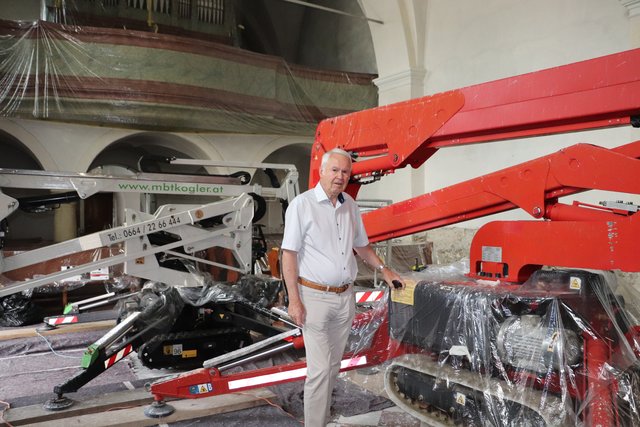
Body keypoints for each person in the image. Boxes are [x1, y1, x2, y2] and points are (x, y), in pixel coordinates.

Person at [281, 148, 404, 427]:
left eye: (345, 172)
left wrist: (384, 269)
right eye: (334, 170)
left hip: (344, 298)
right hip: (314, 298)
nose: (340, 176)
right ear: (322, 171)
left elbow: (361, 245)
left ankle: (322, 417)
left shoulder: (349, 204)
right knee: (320, 369)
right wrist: (294, 300)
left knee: (333, 366)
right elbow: (288, 253)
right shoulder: (302, 205)